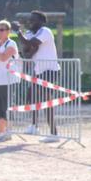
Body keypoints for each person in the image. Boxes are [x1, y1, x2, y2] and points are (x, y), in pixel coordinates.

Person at [17, 10, 60, 142]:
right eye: (29, 19)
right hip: (38, 70)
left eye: (33, 19)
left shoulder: (45, 31)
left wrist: (19, 33)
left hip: (50, 70)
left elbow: (29, 45)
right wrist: (29, 45)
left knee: (46, 101)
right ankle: (34, 126)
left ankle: (54, 134)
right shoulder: (30, 33)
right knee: (34, 97)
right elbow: (27, 53)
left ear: (41, 22)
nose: (30, 21)